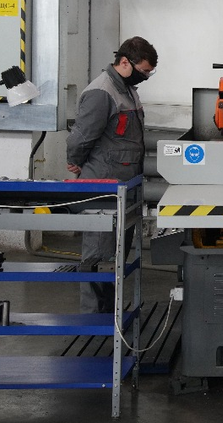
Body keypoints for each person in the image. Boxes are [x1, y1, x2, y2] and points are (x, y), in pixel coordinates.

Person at [67, 36, 158, 314]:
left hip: (124, 186)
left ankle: (110, 315)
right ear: (124, 62)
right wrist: (75, 162)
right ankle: (92, 318)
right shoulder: (102, 92)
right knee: (98, 255)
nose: (145, 77)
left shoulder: (127, 90)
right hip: (103, 189)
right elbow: (80, 138)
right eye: (143, 71)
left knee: (115, 257)